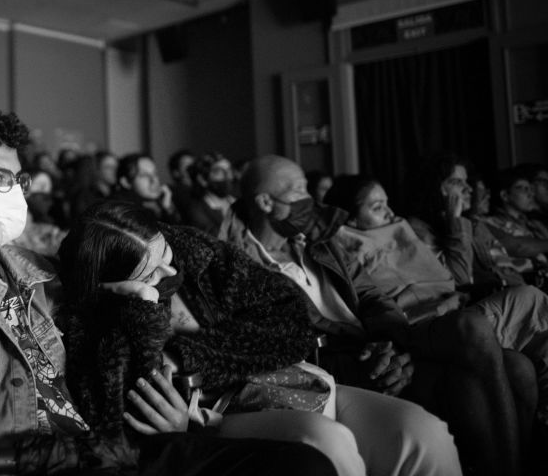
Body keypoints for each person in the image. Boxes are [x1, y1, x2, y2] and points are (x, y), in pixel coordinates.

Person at [0, 107, 339, 476]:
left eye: (17, 178)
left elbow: (94, 347)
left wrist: (137, 317)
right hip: (33, 458)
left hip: (109, 438)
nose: (15, 193)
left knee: (304, 464)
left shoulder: (25, 263)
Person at [59, 200, 462, 476]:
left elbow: (289, 316)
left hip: (296, 378)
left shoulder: (191, 251)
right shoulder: (96, 324)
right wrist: (140, 309)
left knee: (423, 433)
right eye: (149, 275)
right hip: (216, 419)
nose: (168, 273)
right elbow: (120, 416)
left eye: (164, 254)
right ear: (107, 286)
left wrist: (191, 357)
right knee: (326, 445)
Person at [228, 155, 535, 476]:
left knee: (519, 366)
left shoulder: (319, 242)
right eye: (298, 191)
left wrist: (390, 342)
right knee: (486, 361)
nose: (310, 200)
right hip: (339, 361)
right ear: (265, 201)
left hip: (384, 341)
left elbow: (372, 295)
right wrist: (375, 352)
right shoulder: (239, 262)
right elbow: (292, 337)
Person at [327, 171, 548, 428]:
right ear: (349, 217)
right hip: (423, 324)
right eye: (377, 207)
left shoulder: (403, 230)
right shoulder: (346, 247)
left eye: (387, 203)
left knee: (520, 363)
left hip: (455, 308)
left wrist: (455, 222)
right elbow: (375, 305)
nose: (389, 212)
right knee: (529, 298)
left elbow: (455, 277)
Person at [112, 153, 181, 224]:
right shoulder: (120, 211)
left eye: (155, 173)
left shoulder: (157, 203)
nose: (154, 180)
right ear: (126, 182)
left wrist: (168, 209)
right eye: (144, 175)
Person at [181, 153, 237, 239]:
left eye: (229, 170)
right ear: (203, 179)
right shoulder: (197, 211)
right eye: (219, 172)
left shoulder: (235, 202)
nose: (228, 176)